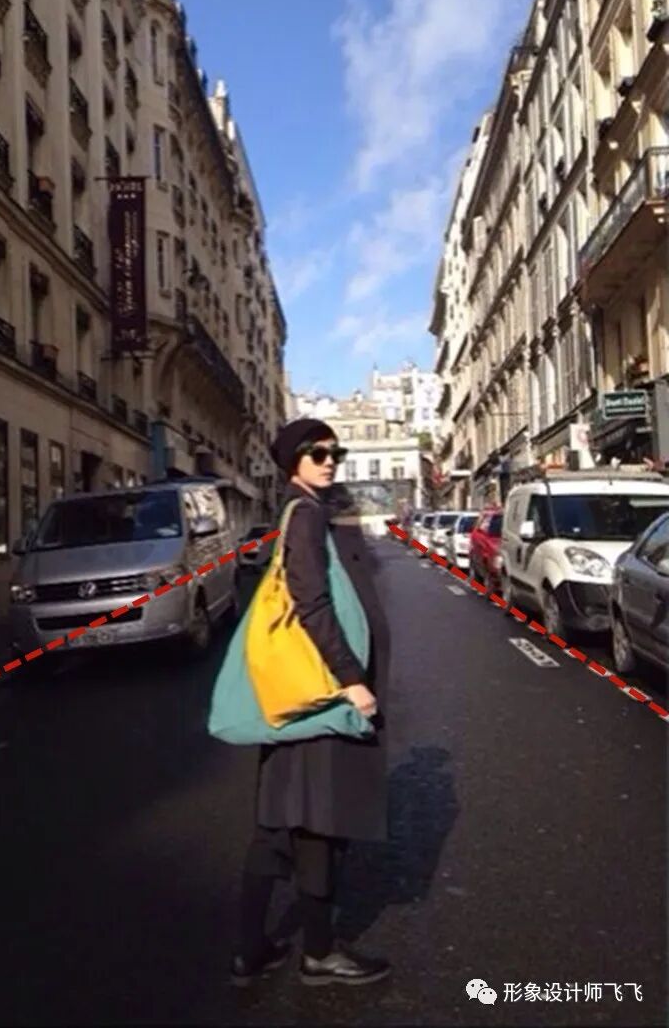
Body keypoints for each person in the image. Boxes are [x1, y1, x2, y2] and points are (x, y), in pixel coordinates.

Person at [231, 417, 391, 988]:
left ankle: (250, 950)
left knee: (278, 822)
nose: (329, 461)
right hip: (317, 692)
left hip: (296, 691)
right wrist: (352, 679)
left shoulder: (300, 511)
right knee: (319, 818)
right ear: (292, 460)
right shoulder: (305, 515)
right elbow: (313, 603)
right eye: (316, 453)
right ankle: (319, 953)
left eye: (334, 453)